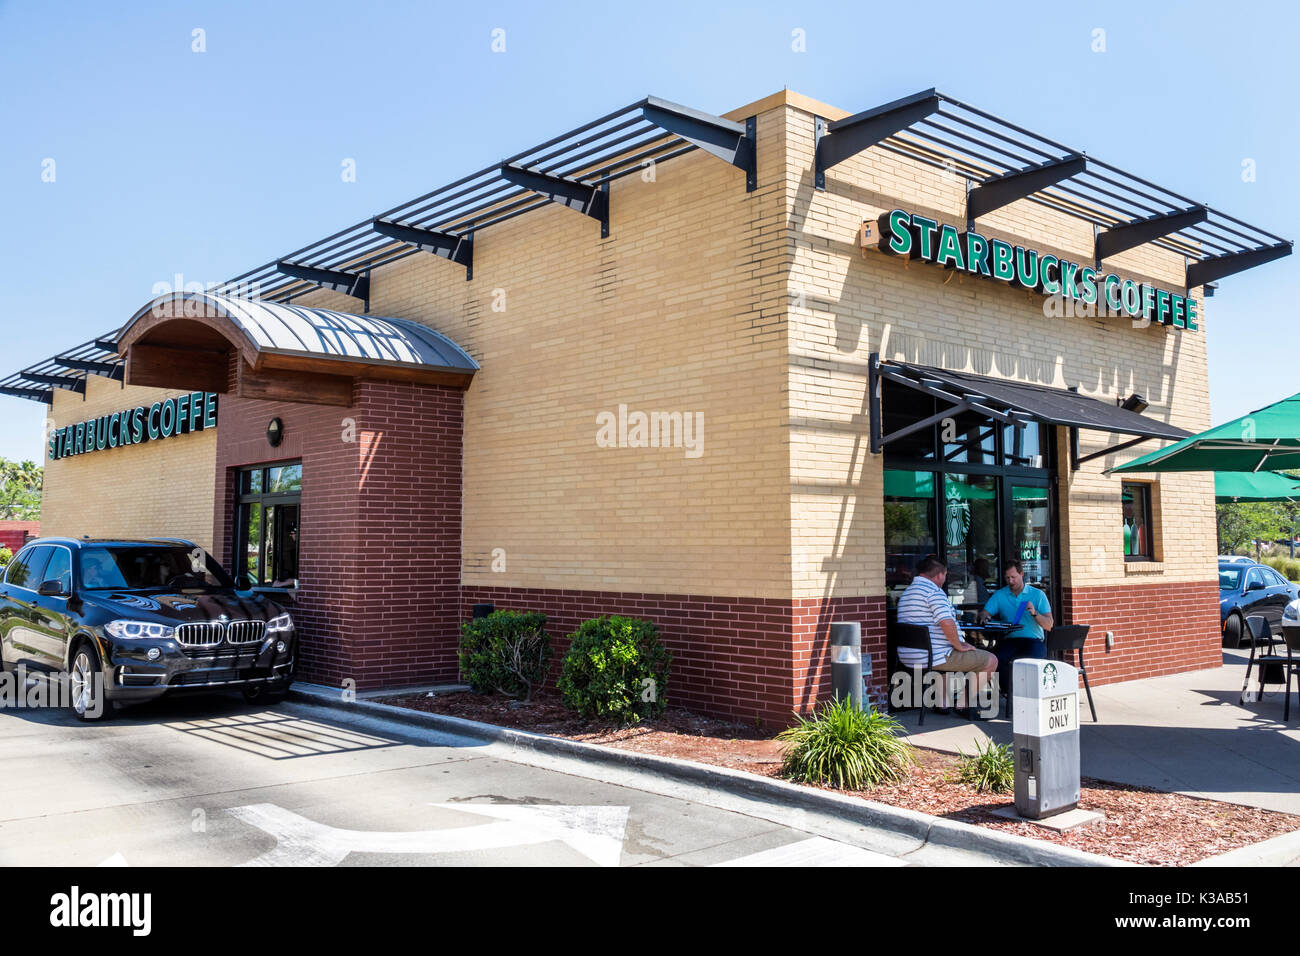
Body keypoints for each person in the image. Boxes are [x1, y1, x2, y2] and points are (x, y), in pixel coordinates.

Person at [897, 554, 997, 713]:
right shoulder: (933, 593)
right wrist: (959, 644)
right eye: (945, 575)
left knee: (946, 653)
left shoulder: (907, 593)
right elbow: (946, 622)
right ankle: (963, 704)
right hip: (931, 657)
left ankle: (942, 703)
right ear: (939, 575)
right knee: (991, 660)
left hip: (908, 655)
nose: (944, 579)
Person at [980, 558, 1055, 691]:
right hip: (1010, 640)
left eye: (1013, 577)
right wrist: (985, 617)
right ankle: (1010, 695)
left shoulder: (1037, 595)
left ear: (1021, 574)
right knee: (997, 659)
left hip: (1033, 641)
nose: (1010, 581)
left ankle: (1027, 693)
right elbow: (984, 613)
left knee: (1028, 662)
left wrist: (1034, 613)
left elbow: (1049, 625)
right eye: (1007, 577)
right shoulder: (1000, 594)